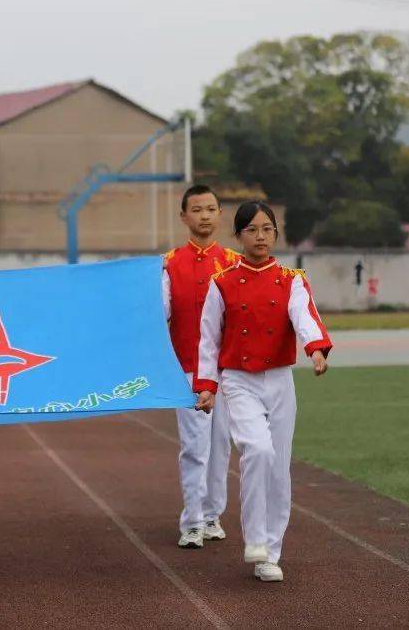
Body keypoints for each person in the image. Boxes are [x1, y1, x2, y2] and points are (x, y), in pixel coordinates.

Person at [194, 201, 332, 583]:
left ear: (276, 233)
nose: (260, 237)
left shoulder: (291, 279)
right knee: (257, 449)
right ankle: (254, 539)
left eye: (267, 229)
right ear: (238, 236)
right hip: (238, 380)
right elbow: (208, 339)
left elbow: (305, 317)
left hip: (279, 380)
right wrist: (207, 386)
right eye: (252, 230)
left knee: (279, 468)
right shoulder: (221, 282)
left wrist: (315, 348)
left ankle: (270, 553)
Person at [162, 185, 237, 549]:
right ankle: (191, 520)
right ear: (184, 217)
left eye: (211, 208)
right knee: (194, 446)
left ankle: (211, 515)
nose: (204, 215)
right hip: (188, 370)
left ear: (220, 213)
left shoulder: (236, 263)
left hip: (229, 373)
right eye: (197, 209)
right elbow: (158, 317)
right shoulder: (168, 264)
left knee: (221, 445)